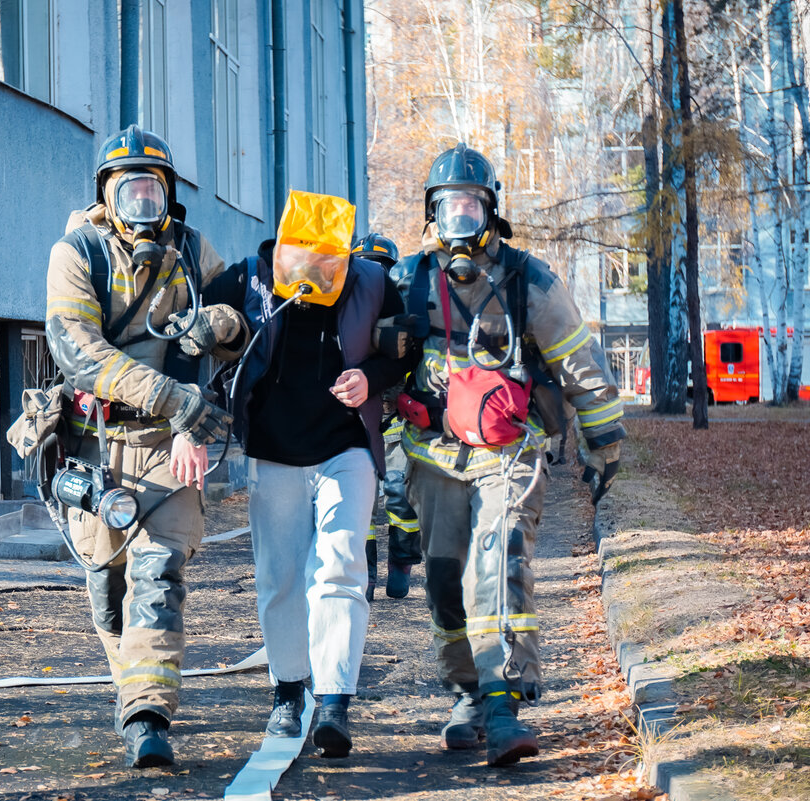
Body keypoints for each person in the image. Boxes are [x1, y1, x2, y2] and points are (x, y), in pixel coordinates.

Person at [396, 143, 624, 767]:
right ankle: (466, 691)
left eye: (472, 207)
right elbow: (370, 358)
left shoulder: (529, 280)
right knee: (444, 576)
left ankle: (502, 704)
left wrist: (603, 443)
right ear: (432, 215)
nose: (461, 221)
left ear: (492, 212)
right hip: (434, 455)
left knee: (495, 569)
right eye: (450, 209)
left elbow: (581, 363)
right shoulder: (409, 282)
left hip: (508, 452)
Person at [44, 124, 247, 768]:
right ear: (106, 194)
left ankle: (147, 715)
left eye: (152, 189)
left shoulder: (191, 250)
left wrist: (224, 325)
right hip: (95, 443)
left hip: (169, 446)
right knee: (107, 586)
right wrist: (173, 398)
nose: (142, 203)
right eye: (128, 189)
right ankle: (130, 678)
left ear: (168, 194)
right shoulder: (76, 253)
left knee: (158, 576)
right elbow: (79, 352)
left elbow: (238, 331)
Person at [205, 200, 419, 759]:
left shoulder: (371, 283)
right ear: (282, 248)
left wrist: (370, 378)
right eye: (304, 259)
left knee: (341, 566)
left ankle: (333, 701)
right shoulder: (246, 279)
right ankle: (287, 690)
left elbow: (403, 352)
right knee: (280, 577)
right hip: (275, 454)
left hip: (344, 447)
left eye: (330, 263)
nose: (316, 273)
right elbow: (195, 334)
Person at [351, 233, 423, 602]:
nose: (372, 273)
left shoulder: (404, 312)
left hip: (396, 421)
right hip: (356, 423)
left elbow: (417, 364)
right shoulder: (344, 310)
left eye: (380, 267)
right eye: (364, 264)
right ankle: (364, 572)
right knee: (359, 499)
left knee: (400, 494)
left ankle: (402, 564)